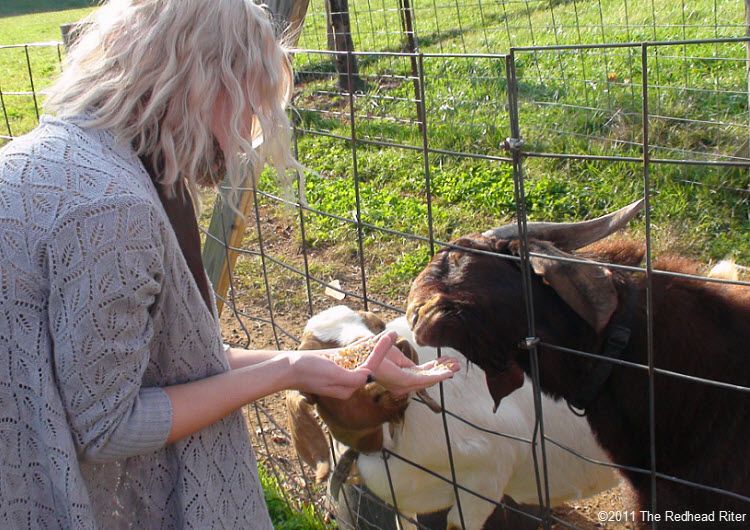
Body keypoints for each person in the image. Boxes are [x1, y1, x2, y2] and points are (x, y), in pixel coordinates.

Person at [0, 1, 457, 528]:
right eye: (248, 107)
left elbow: (152, 361)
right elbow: (110, 424)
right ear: (207, 84)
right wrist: (284, 372)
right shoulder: (112, 209)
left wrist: (328, 363)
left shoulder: (54, 155)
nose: (245, 135)